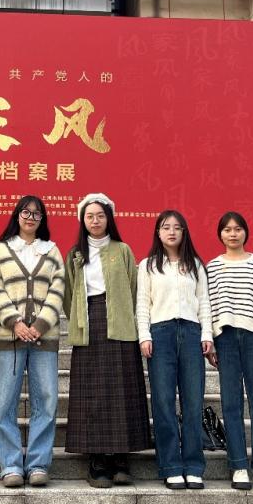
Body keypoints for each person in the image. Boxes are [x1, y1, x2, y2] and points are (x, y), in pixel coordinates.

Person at [63, 192, 151, 487]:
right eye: (89, 216)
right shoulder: (75, 254)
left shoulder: (122, 250)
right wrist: (79, 319)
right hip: (89, 324)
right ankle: (98, 460)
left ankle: (122, 458)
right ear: (82, 220)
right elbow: (69, 293)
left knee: (122, 389)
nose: (95, 220)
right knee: (92, 392)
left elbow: (134, 288)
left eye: (100, 215)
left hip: (121, 325)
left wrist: (127, 317)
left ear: (109, 218)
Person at [0, 195, 66, 487]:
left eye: (36, 213)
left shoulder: (52, 251)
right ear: (17, 215)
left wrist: (41, 324)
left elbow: (58, 289)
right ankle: (10, 465)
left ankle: (38, 464)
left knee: (46, 401)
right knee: (4, 403)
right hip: (8, 338)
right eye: (25, 212)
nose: (30, 218)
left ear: (42, 219)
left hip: (45, 339)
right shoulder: (0, 250)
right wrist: (16, 323)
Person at [205, 211, 253, 492]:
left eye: (237, 229)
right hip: (225, 339)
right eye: (227, 230)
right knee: (231, 404)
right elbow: (207, 306)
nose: (233, 234)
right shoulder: (212, 267)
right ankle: (238, 464)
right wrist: (210, 341)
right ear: (220, 234)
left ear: (246, 232)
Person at [136, 210, 213, 490]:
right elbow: (142, 303)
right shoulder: (148, 265)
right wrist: (144, 336)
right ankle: (170, 466)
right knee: (163, 401)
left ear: (184, 232)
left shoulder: (195, 265)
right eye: (166, 227)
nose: (171, 232)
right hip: (160, 334)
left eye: (177, 227)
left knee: (193, 401)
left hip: (191, 333)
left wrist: (207, 334)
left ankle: (193, 466)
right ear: (158, 232)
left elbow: (204, 302)